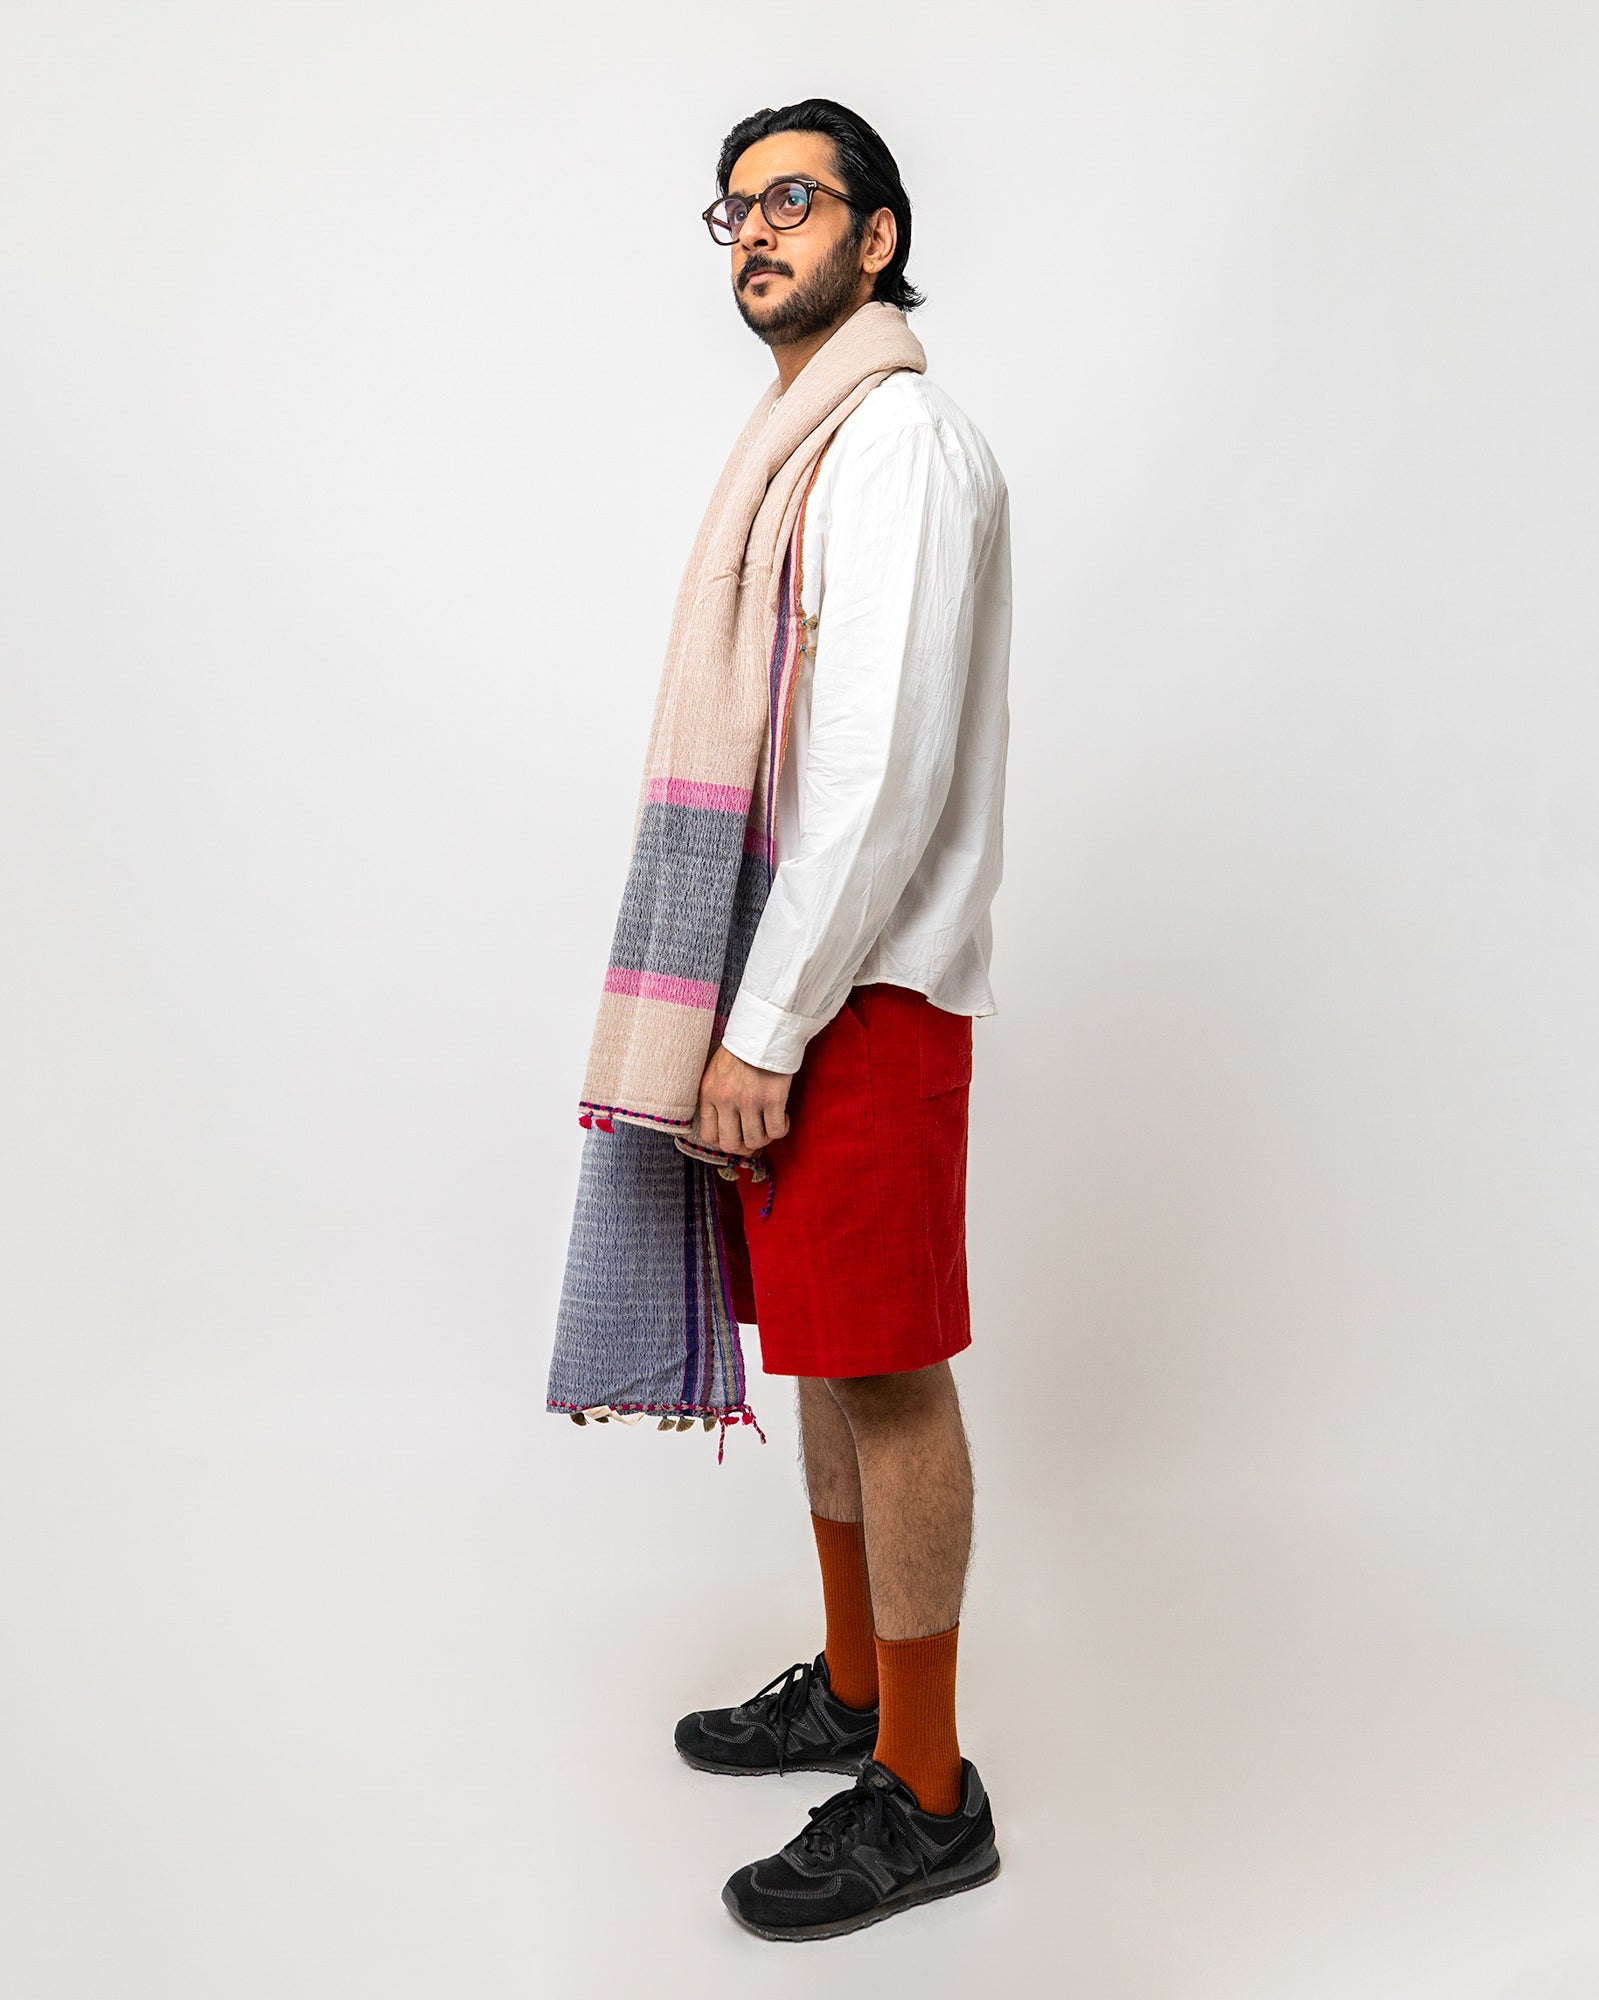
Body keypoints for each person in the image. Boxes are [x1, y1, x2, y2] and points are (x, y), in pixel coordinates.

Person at [664, 98, 1014, 1942]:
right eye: (731, 209)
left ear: (877, 238)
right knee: (824, 1354)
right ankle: (858, 1689)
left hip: (859, 982)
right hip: (799, 971)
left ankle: (929, 1791)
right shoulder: (803, 449)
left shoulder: (900, 447)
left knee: (887, 1371)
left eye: (791, 200)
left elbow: (877, 774)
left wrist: (769, 1025)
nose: (754, 230)